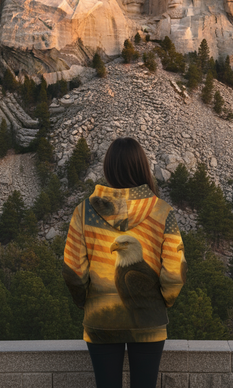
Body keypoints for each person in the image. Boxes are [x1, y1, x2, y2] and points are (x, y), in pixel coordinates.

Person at [63, 137, 186, 388]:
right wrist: (162, 303)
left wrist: (87, 302)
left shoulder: (84, 212)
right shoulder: (163, 212)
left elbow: (74, 271)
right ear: (142, 167)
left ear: (108, 168)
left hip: (101, 322)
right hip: (149, 324)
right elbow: (175, 273)